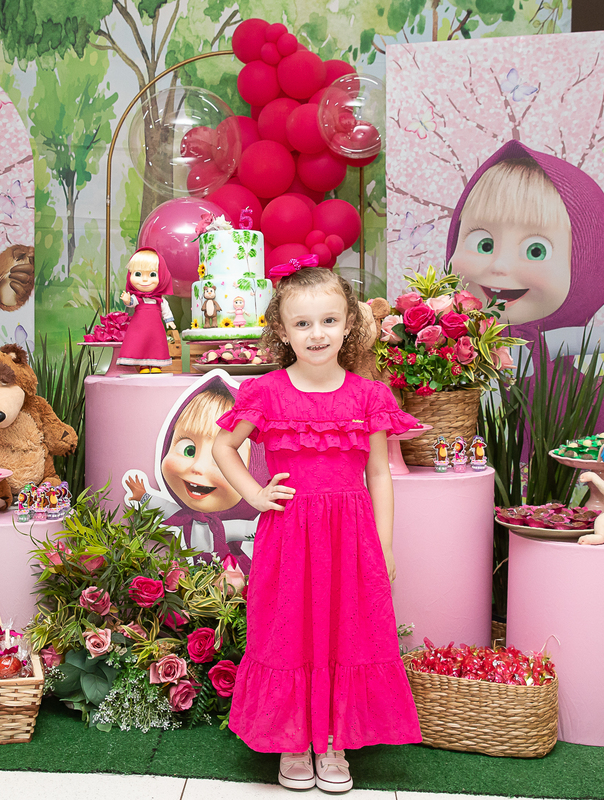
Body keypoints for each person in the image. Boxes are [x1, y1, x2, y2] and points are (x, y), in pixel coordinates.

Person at [212, 263, 422, 793]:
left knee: (346, 633)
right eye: (302, 324)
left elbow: (379, 474)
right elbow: (223, 446)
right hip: (288, 536)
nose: (317, 334)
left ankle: (333, 743)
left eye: (329, 320)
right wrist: (254, 494)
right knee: (289, 632)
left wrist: (385, 546)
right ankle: (292, 742)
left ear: (349, 323)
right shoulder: (267, 392)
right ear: (282, 331)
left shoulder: (368, 395)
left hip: (352, 538)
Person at [447, 140, 604, 434]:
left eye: (535, 251)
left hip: (547, 425)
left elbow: (576, 340)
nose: (500, 266)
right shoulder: (457, 336)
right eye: (484, 244)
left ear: (584, 262)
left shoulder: (537, 342)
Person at [124, 376, 262, 571]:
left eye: (218, 458)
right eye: (188, 450)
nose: (198, 468)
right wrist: (143, 496)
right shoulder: (185, 517)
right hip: (196, 573)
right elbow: (165, 507)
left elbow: (252, 531)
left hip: (231, 574)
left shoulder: (227, 528)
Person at [118, 247, 176, 373]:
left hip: (156, 328)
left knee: (156, 344)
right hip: (139, 328)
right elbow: (131, 303)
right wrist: (127, 300)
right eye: (138, 274)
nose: (144, 280)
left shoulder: (159, 300)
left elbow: (165, 309)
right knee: (140, 344)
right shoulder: (137, 298)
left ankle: (156, 365)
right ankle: (143, 366)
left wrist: (169, 320)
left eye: (152, 275)